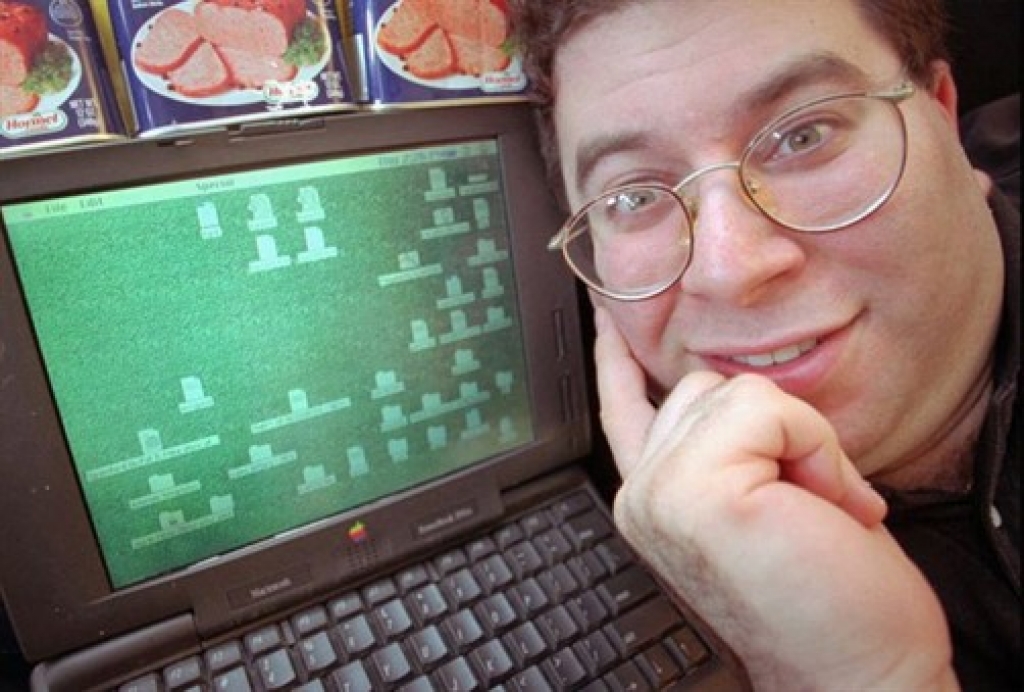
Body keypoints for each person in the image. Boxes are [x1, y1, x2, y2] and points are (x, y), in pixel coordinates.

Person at [507, 0, 1020, 689]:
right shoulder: (598, 603)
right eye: (633, 197)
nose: (730, 269)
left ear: (943, 115)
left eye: (803, 134)